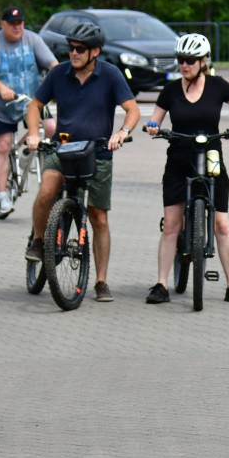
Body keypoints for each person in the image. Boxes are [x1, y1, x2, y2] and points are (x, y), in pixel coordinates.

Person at [24, 23, 140, 302]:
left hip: (97, 152)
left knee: (98, 217)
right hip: (64, 149)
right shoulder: (58, 73)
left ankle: (101, 281)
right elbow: (34, 106)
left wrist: (122, 133)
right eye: (71, 48)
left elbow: (132, 109)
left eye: (80, 49)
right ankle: (40, 240)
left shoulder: (110, 75)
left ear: (95, 52)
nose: (73, 53)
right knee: (46, 192)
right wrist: (32, 133)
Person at [144, 33, 229, 305]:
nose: (185, 65)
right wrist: (153, 126)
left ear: (204, 61)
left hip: (211, 158)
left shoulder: (218, 86)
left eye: (191, 60)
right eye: (181, 60)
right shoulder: (171, 90)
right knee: (171, 225)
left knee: (221, 223)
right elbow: (155, 119)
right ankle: (161, 284)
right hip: (179, 158)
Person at [0, 6, 57, 215]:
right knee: (3, 146)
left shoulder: (32, 40)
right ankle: (2, 195)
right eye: (12, 24)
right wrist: (2, 88)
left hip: (32, 101)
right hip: (2, 106)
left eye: (20, 23)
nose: (17, 27)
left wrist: (57, 79)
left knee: (51, 128)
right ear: (3, 24)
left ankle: (54, 175)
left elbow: (52, 64)